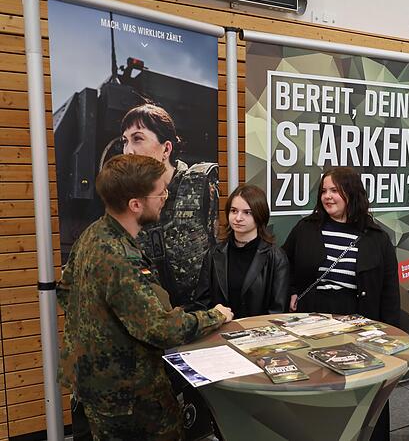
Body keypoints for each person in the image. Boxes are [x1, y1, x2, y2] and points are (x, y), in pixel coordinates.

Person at [57, 154, 234, 440]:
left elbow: (65, 292)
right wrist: (215, 315)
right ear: (135, 204)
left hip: (96, 384)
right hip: (131, 397)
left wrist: (104, 331)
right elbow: (159, 329)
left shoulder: (93, 234)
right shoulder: (120, 258)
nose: (165, 196)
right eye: (159, 191)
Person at [282, 166, 400, 441]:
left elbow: (389, 292)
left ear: (351, 193)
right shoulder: (305, 228)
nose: (327, 196)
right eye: (324, 190)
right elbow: (283, 265)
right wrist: (291, 291)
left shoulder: (377, 238)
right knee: (317, 389)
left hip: (357, 322)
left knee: (357, 391)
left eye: (335, 190)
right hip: (311, 323)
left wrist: (391, 336)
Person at [121, 103, 219, 311]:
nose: (128, 151)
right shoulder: (131, 202)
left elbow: (224, 257)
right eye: (125, 141)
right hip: (158, 323)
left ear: (166, 148)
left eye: (138, 138)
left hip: (206, 318)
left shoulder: (200, 185)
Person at [195, 184, 290, 317]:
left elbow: (278, 311)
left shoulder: (276, 257)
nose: (238, 218)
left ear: (259, 215)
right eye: (234, 211)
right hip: (220, 333)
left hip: (260, 334)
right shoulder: (214, 255)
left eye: (247, 212)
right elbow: (202, 304)